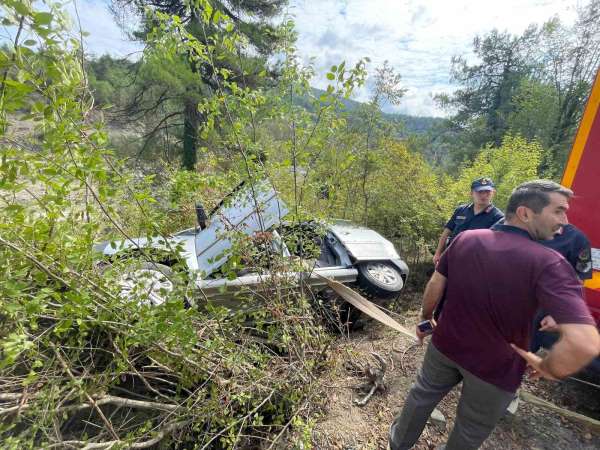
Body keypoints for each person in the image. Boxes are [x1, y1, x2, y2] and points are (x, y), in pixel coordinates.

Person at [389, 180, 600, 450]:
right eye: (558, 211)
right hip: (496, 368)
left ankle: (397, 445)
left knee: (420, 397)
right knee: (469, 430)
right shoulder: (550, 263)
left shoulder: (467, 239)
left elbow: (435, 284)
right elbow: (584, 342)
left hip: (445, 346)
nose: (564, 220)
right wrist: (549, 366)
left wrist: (427, 317)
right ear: (525, 213)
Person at [432, 177, 504, 266]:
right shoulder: (460, 210)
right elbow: (446, 233)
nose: (484, 195)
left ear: (493, 193)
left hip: (475, 264)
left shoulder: (498, 217)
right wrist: (438, 253)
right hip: (451, 258)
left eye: (487, 192)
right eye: (480, 192)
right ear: (471, 193)